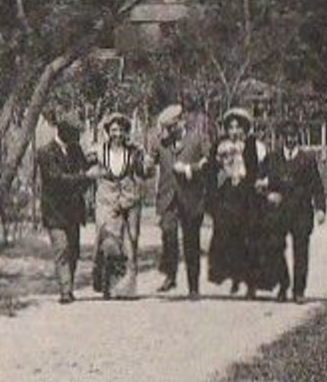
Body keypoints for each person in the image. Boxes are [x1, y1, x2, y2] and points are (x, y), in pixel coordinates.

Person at [149, 103, 215, 297]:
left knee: (191, 242)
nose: (168, 131)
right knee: (168, 235)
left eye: (171, 127)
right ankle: (170, 275)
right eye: (166, 128)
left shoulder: (197, 138)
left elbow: (209, 162)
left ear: (181, 122)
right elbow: (149, 164)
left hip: (191, 197)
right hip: (168, 198)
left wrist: (189, 169)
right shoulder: (162, 142)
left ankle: (193, 287)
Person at [259, 121, 327, 302]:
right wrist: (267, 194)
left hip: (301, 212)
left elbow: (317, 186)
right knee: (274, 248)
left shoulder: (307, 160)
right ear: (281, 138)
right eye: (287, 136)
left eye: (293, 135)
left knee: (301, 252)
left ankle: (299, 291)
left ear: (298, 136)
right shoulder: (272, 158)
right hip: (278, 212)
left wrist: (320, 209)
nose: (290, 139)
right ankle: (283, 284)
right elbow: (258, 182)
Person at [37, 112, 98, 304]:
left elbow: (82, 174)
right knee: (61, 248)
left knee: (73, 250)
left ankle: (68, 284)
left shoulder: (76, 150)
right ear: (62, 131)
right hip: (54, 211)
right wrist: (86, 177)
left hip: (73, 211)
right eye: (74, 133)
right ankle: (66, 290)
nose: (77, 138)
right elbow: (57, 180)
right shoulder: (45, 152)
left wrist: (94, 164)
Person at [92, 111, 153, 298]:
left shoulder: (134, 151)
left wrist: (148, 165)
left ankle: (127, 288)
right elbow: (88, 171)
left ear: (126, 132)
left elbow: (144, 174)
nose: (117, 134)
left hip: (130, 199)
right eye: (113, 130)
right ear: (108, 132)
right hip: (106, 200)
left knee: (131, 241)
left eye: (121, 130)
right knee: (109, 242)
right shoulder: (98, 151)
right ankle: (107, 284)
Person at [207, 107, 262, 296]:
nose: (234, 131)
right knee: (230, 239)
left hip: (247, 197)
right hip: (228, 197)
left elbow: (258, 170)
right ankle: (234, 277)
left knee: (249, 239)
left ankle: (251, 282)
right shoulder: (220, 146)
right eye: (230, 128)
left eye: (238, 127)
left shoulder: (253, 145)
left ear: (245, 129)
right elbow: (211, 171)